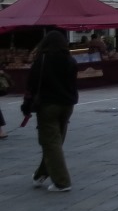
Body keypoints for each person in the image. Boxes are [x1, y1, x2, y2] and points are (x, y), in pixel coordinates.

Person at [22, 31, 79, 192]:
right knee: (55, 141)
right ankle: (40, 175)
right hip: (67, 105)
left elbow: (32, 85)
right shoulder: (70, 60)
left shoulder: (43, 60)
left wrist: (26, 105)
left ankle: (62, 182)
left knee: (50, 142)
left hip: (48, 105)